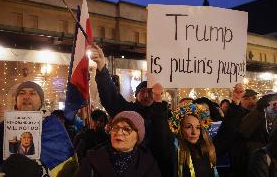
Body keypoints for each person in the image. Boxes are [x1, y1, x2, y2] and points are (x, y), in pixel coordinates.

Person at [89, 43, 173, 177]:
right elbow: (110, 97)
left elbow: (165, 142)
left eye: (150, 92)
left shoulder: (163, 114)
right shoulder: (127, 111)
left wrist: (158, 101)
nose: (146, 95)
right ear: (136, 94)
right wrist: (102, 68)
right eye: (143, 91)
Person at [0, 81, 78, 176]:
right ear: (16, 100)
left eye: (32, 93)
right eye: (21, 93)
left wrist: (39, 171)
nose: (26, 97)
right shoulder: (2, 128)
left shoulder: (53, 126)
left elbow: (69, 169)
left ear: (41, 101)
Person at [77, 111, 162, 177]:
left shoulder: (148, 165)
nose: (119, 133)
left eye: (126, 129)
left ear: (138, 137)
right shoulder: (91, 160)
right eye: (115, 127)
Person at [169, 103, 218, 177]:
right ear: (180, 129)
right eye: (188, 127)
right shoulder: (175, 149)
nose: (194, 132)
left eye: (198, 127)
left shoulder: (207, 148)